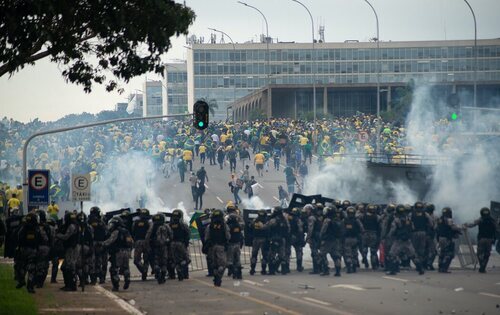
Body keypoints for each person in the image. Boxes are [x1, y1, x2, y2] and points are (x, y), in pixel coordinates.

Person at [16, 212, 47, 293]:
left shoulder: (23, 227)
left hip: (23, 250)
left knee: (21, 267)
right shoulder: (38, 228)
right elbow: (44, 238)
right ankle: (30, 286)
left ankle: (22, 280)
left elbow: (18, 237)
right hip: (33, 251)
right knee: (32, 269)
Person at [463, 207, 500, 273]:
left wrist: (466, 225)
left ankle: (482, 265)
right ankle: (483, 266)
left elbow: (472, 224)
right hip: (489, 239)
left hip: (481, 239)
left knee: (480, 253)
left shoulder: (480, 220)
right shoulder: (492, 220)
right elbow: (497, 229)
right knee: (487, 253)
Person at [103, 216, 133, 291]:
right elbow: (131, 241)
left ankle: (116, 285)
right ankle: (127, 278)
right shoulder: (126, 231)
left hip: (117, 252)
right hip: (126, 251)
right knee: (125, 267)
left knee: (114, 269)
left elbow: (110, 241)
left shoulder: (116, 231)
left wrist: (102, 244)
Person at [204, 209, 230, 287]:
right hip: (221, 247)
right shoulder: (224, 225)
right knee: (222, 264)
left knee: (214, 264)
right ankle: (218, 277)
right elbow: (228, 236)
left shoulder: (210, 226)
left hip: (212, 247)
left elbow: (206, 237)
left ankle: (216, 277)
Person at [146, 213, 172, 284]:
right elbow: (171, 235)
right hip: (164, 246)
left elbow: (148, 236)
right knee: (164, 262)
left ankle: (157, 272)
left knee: (156, 262)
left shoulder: (152, 226)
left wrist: (148, 246)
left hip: (155, 247)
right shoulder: (166, 226)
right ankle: (163, 275)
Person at [319, 206, 344, 276]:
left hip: (327, 240)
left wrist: (321, 238)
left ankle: (325, 270)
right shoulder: (338, 220)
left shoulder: (327, 220)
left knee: (322, 254)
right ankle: (338, 271)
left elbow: (323, 230)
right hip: (336, 240)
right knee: (336, 256)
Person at [436, 207, 462, 273]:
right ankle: (444, 268)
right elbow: (453, 227)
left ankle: (440, 267)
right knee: (449, 253)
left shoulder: (440, 219)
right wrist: (461, 227)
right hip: (447, 238)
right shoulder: (449, 220)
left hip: (440, 238)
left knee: (442, 252)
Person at [266, 207, 290, 275]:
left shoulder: (273, 220)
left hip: (274, 239)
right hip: (282, 239)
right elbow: (288, 228)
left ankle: (272, 271)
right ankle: (283, 270)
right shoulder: (284, 219)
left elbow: (266, 226)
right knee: (282, 255)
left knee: (272, 255)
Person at [169, 209, 191, 281]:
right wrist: (186, 242)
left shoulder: (170, 225)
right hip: (181, 243)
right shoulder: (183, 224)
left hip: (172, 244)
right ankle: (184, 273)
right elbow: (188, 233)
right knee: (186, 259)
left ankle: (179, 272)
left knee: (176, 259)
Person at [89, 207, 108, 284]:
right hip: (100, 243)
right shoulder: (101, 222)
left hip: (92, 244)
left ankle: (93, 279)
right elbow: (106, 232)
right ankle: (101, 278)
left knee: (92, 261)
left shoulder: (88, 221)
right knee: (102, 262)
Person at [343, 206, 364, 274]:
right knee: (354, 253)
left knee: (348, 254)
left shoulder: (344, 220)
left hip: (347, 239)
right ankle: (354, 267)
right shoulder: (356, 220)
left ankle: (349, 267)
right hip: (355, 239)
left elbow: (341, 229)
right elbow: (362, 229)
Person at [225, 205, 244, 279]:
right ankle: (239, 273)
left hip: (230, 243)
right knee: (237, 258)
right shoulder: (238, 218)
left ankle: (233, 271)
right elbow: (243, 226)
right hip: (237, 242)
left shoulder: (226, 218)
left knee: (229, 259)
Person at [132, 208, 151, 281]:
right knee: (146, 259)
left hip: (138, 242)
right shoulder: (149, 223)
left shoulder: (135, 222)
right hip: (146, 242)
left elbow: (133, 231)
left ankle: (143, 272)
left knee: (137, 260)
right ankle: (144, 271)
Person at [249, 209, 269, 275]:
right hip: (264, 239)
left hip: (255, 239)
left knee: (254, 255)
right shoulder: (266, 221)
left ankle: (252, 269)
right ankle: (263, 270)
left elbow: (250, 227)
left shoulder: (255, 220)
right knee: (264, 255)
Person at [286, 207, 305, 272]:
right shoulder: (298, 220)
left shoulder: (288, 218)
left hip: (289, 237)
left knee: (287, 253)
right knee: (299, 252)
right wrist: (302, 238)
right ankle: (299, 267)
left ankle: (286, 268)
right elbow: (300, 230)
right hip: (297, 237)